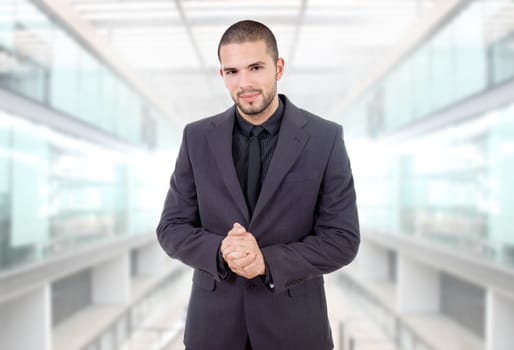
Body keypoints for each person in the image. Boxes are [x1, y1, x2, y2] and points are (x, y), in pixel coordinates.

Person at [156, 19, 360, 350]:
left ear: (278, 68)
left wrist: (267, 262)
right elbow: (171, 228)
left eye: (255, 67)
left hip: (295, 331)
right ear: (222, 75)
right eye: (232, 71)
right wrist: (222, 252)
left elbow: (342, 239)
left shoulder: (325, 138)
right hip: (213, 331)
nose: (245, 82)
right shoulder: (196, 138)